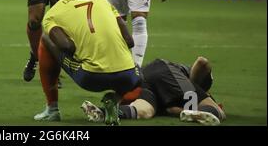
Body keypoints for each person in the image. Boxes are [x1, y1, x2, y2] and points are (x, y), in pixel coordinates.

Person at [33, 0, 141, 125]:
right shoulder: (103, 0)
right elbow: (130, 41)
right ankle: (115, 100)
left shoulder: (52, 14)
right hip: (128, 76)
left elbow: (67, 47)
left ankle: (52, 109)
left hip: (91, 77)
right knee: (139, 77)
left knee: (45, 38)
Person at [81, 56, 226, 126]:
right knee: (216, 111)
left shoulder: (182, 92)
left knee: (144, 111)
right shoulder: (188, 83)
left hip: (147, 77)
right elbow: (202, 62)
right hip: (166, 72)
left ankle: (104, 112)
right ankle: (198, 112)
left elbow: (173, 110)